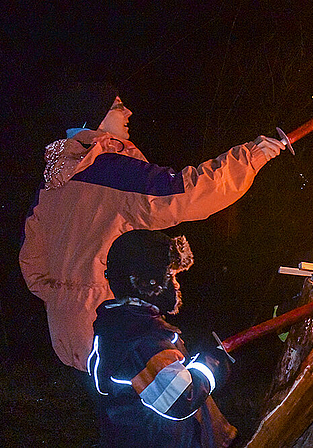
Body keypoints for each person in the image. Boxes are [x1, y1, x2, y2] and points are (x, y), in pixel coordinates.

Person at [19, 82, 285, 372]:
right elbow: (185, 194)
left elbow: (32, 263)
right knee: (158, 408)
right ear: (95, 117)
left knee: (108, 408)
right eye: (117, 106)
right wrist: (251, 157)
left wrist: (64, 297)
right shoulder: (111, 170)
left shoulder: (53, 184)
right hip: (115, 327)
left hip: (64, 328)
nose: (128, 112)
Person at [89, 229, 236, 447]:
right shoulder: (139, 339)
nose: (175, 284)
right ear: (149, 282)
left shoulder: (130, 326)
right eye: (170, 276)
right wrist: (211, 363)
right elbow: (181, 399)